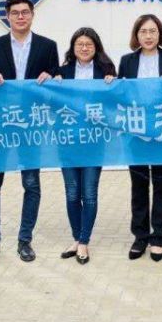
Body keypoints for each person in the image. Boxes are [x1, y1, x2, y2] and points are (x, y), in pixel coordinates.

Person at [0, 0, 60, 264]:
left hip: (31, 125)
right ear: (7, 16)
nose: (20, 17)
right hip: (0, 124)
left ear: (32, 15)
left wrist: (52, 76)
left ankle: (25, 240)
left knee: (31, 183)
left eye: (25, 12)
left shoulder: (48, 46)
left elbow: (57, 80)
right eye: (15, 13)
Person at [117, 14, 162, 262]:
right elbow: (120, 94)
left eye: (153, 31)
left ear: (160, 34)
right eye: (143, 31)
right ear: (136, 35)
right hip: (135, 131)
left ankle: (158, 237)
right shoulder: (126, 61)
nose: (148, 36)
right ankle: (140, 236)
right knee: (138, 185)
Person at [56, 28, 116, 265]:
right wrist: (53, 84)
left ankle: (84, 241)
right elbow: (50, 102)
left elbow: (114, 103)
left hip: (94, 142)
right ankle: (76, 238)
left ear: (96, 47)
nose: (84, 48)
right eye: (79, 44)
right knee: (72, 193)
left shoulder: (106, 70)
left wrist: (112, 85)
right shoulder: (61, 72)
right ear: (73, 47)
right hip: (68, 141)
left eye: (88, 44)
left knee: (89, 193)